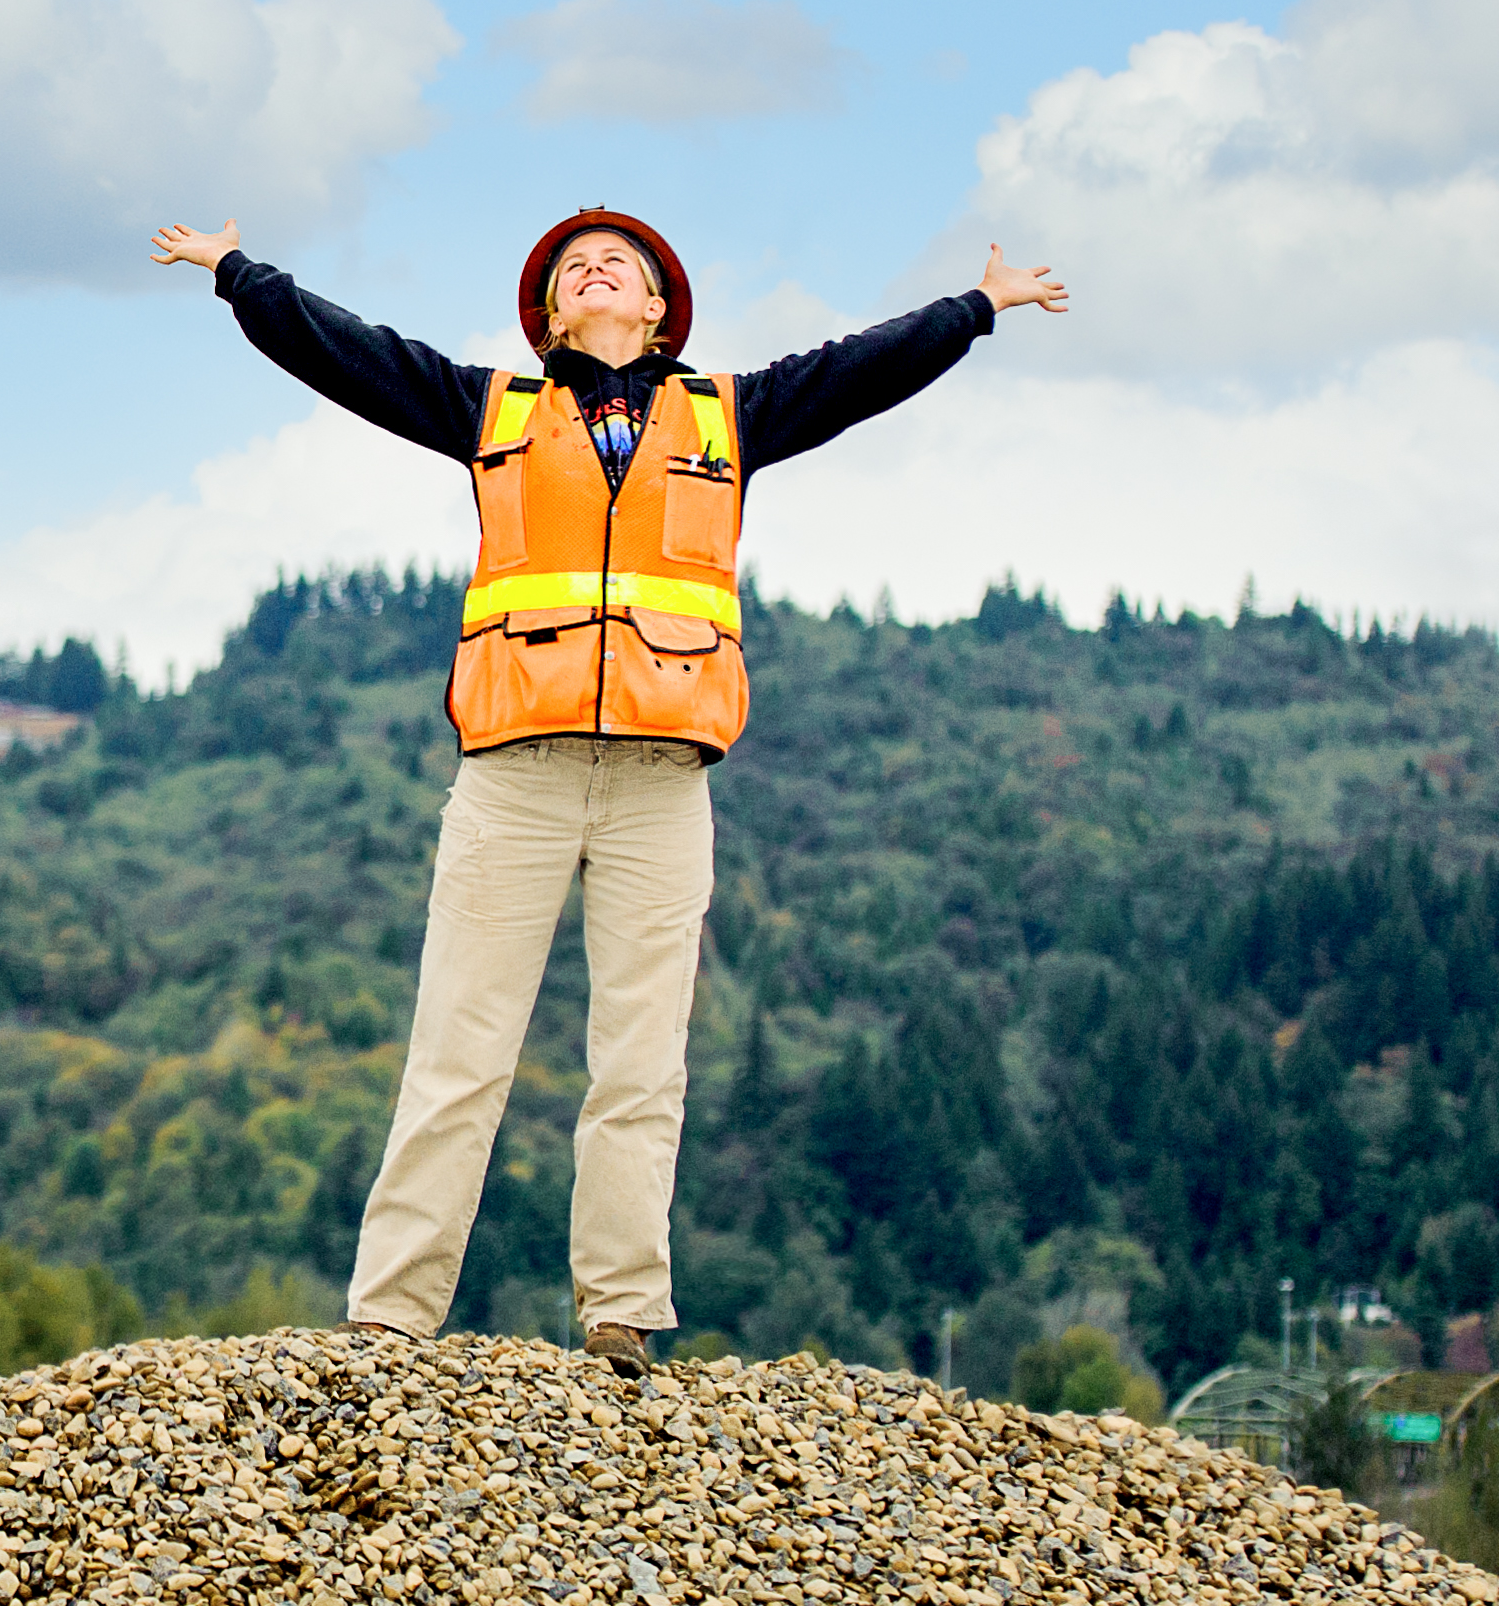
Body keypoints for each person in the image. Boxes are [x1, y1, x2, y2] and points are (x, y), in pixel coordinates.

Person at [147, 208, 1069, 1375]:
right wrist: (237, 274)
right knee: (456, 1050)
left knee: (642, 1061)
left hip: (658, 782)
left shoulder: (730, 416)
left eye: (617, 265)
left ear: (655, 312)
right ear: (547, 317)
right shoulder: (488, 409)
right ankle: (387, 1318)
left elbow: (856, 374)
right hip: (512, 777)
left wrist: (975, 308)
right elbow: (345, 353)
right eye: (571, 267)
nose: (593, 268)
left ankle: (620, 1316)